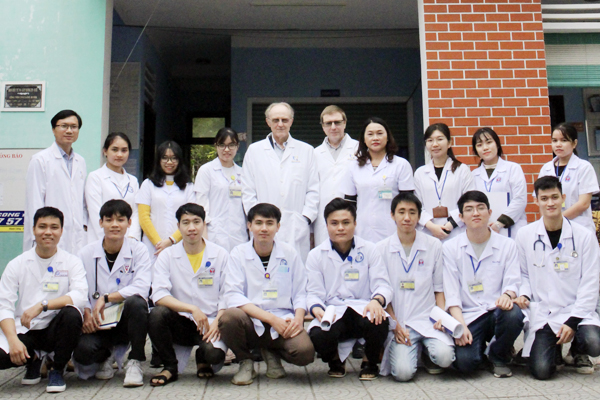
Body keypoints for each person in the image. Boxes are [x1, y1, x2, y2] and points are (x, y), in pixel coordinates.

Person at [219, 203, 314, 386]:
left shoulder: (289, 253)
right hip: (250, 320)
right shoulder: (238, 254)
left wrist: (298, 319)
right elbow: (233, 295)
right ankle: (245, 361)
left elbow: (301, 291)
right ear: (249, 225)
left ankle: (271, 352)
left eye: (269, 223)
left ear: (278, 226)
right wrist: (271, 319)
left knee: (305, 353)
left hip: (284, 320)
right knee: (229, 317)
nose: (264, 228)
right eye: (258, 223)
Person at [515, 176, 600, 380]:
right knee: (541, 371)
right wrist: (524, 294)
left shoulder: (584, 236)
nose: (550, 203)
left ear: (563, 198)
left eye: (554, 197)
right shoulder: (525, 235)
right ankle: (554, 351)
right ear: (536, 201)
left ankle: (577, 350)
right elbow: (523, 274)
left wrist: (573, 321)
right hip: (546, 313)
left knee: (594, 343)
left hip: (577, 310)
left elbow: (590, 282)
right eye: (544, 198)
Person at [0, 207, 87, 393]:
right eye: (42, 227)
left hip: (55, 330)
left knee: (72, 313)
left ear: (61, 231)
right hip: (26, 329)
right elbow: (4, 305)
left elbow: (80, 295)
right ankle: (33, 360)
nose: (48, 232)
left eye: (54, 227)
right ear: (33, 229)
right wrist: (13, 340)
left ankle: (57, 369)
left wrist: (43, 306)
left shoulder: (71, 261)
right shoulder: (17, 264)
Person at [307, 198, 392, 381]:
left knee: (379, 320)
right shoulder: (315, 255)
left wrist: (376, 301)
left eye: (346, 223)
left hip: (363, 308)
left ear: (355, 223)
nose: (340, 228)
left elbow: (383, 285)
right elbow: (313, 293)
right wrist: (317, 309)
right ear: (326, 225)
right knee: (318, 335)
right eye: (334, 223)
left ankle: (369, 361)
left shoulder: (369, 250)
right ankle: (335, 360)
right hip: (334, 311)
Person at [443, 191, 523, 378]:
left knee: (513, 314)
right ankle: (482, 352)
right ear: (461, 217)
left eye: (480, 208)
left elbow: (513, 282)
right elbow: (451, 293)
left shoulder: (507, 245)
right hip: (469, 315)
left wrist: (507, 296)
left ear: (490, 213)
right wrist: (460, 326)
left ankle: (498, 355)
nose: (476, 213)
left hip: (496, 311)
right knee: (465, 364)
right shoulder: (450, 248)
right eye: (469, 209)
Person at [377, 193, 455, 382]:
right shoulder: (381, 249)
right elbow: (383, 292)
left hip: (428, 319)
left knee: (445, 358)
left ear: (419, 217)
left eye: (412, 212)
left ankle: (427, 353)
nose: (407, 217)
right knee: (403, 373)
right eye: (401, 212)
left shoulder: (434, 245)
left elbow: (439, 289)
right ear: (392, 215)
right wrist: (395, 325)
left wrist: (441, 317)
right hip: (402, 322)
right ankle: (416, 350)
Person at [149, 203, 229, 386]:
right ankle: (170, 366)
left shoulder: (220, 254)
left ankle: (203, 357)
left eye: (196, 222)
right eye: (185, 223)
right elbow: (159, 294)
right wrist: (191, 309)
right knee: (156, 314)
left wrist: (218, 321)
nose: (191, 228)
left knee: (214, 354)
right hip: (181, 321)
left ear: (204, 224)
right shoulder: (167, 255)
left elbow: (228, 294)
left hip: (211, 322)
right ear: (178, 226)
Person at [73, 200, 151, 387]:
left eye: (120, 220)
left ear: (129, 223)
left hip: (125, 322)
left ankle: (135, 360)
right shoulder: (85, 254)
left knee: (137, 303)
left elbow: (142, 287)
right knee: (83, 353)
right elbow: (77, 288)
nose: (115, 225)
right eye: (109, 220)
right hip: (97, 322)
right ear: (100, 223)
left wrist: (107, 298)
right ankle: (106, 355)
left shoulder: (138, 250)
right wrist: (86, 312)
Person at [241, 102, 319, 261]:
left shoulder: (306, 150)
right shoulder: (254, 151)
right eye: (276, 120)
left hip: (296, 226)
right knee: (263, 269)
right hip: (263, 227)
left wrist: (305, 218)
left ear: (291, 121)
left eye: (285, 120)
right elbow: (248, 191)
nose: (280, 124)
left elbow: (313, 190)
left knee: (295, 270)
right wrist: (257, 220)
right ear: (268, 122)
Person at [339, 117, 414, 243]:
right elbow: (349, 203)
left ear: (388, 137)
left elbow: (408, 201)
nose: (375, 138)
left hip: (392, 229)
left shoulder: (401, 164)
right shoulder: (353, 167)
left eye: (380, 133)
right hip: (362, 230)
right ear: (364, 139)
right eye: (370, 134)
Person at [24, 110, 87, 254]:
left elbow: (81, 202)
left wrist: (83, 227)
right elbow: (34, 201)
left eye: (74, 127)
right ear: (53, 129)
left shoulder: (80, 161)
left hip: (76, 237)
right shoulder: (40, 160)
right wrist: (38, 235)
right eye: (64, 126)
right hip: (47, 235)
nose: (69, 131)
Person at [414, 123, 474, 241]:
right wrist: (432, 227)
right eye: (430, 140)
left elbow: (469, 201)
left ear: (449, 143)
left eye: (440, 139)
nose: (435, 144)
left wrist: (450, 225)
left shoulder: (462, 170)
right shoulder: (420, 173)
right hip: (428, 233)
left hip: (457, 231)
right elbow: (417, 205)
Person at [137, 141, 195, 260]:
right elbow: (143, 217)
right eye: (165, 158)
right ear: (158, 160)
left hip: (180, 244)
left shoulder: (188, 186)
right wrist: (159, 243)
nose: (169, 162)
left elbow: (190, 218)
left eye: (174, 158)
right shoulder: (148, 184)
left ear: (179, 160)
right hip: (153, 247)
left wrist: (171, 240)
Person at [538, 123, 599, 233]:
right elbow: (541, 200)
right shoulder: (546, 169)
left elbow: (584, 203)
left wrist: (558, 219)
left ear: (574, 143)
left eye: (564, 140)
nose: (558, 144)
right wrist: (548, 223)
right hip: (552, 227)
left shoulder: (584, 167)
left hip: (579, 226)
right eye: (554, 140)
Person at [195, 128, 248, 251]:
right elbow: (201, 206)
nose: (227, 150)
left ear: (237, 146)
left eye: (231, 145)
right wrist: (204, 237)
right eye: (222, 145)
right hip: (214, 234)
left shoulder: (243, 173)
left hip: (238, 234)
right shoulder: (206, 171)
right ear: (216, 146)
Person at [313, 105, 358, 247]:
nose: (333, 127)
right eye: (328, 123)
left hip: (351, 214)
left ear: (345, 123)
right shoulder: (314, 153)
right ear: (323, 126)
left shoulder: (359, 149)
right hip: (322, 218)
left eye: (337, 122)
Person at [471, 128, 527, 239]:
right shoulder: (473, 175)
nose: (485, 148)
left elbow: (520, 199)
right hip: (484, 230)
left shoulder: (513, 169)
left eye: (489, 142)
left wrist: (499, 223)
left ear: (497, 144)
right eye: (479, 145)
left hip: (512, 230)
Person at [85, 132, 140, 243]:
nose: (119, 155)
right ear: (105, 151)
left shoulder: (133, 180)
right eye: (114, 150)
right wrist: (110, 240)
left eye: (124, 150)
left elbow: (136, 213)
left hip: (128, 241)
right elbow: (95, 213)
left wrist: (131, 238)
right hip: (101, 240)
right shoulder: (95, 177)